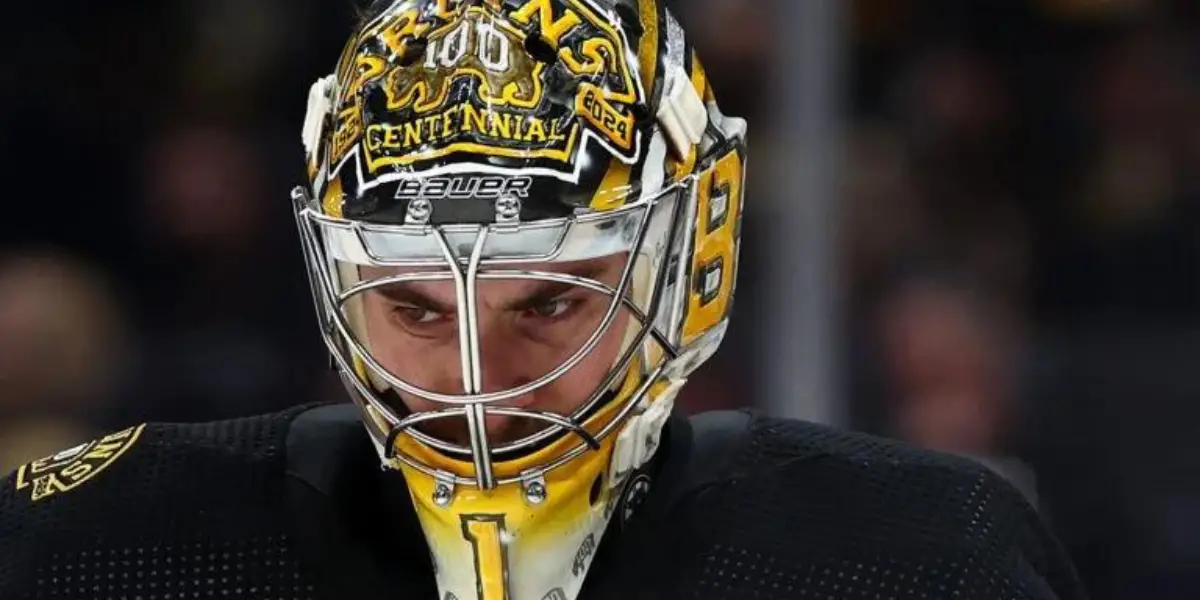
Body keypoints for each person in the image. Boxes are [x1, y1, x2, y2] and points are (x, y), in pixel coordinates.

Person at [0, 1, 1088, 598]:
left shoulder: (918, 556)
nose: (476, 378)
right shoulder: (101, 545)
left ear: (685, 259)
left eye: (549, 304)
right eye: (415, 309)